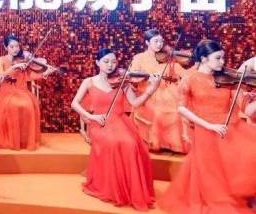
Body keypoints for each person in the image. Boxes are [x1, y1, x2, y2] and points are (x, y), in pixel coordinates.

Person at [160, 42, 256, 213]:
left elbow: (246, 110)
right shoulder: (190, 79)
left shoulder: (228, 80)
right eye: (218, 58)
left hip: (229, 128)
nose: (222, 62)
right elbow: (181, 108)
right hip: (205, 130)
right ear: (204, 58)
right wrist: (209, 126)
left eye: (223, 58)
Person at [71, 48, 161, 211]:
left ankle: (131, 189)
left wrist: (151, 89)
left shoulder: (123, 82)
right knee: (114, 143)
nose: (110, 65)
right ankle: (113, 187)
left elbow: (135, 103)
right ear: (97, 63)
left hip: (120, 122)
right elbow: (74, 104)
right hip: (99, 123)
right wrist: (91, 117)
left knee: (131, 144)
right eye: (106, 61)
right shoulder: (89, 82)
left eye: (113, 61)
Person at [129, 28, 191, 153]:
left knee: (177, 111)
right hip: (148, 93)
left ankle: (171, 144)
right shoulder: (139, 58)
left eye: (161, 41)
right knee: (157, 111)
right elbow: (133, 76)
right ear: (147, 42)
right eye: (156, 41)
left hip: (168, 92)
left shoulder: (167, 57)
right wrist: (146, 77)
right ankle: (155, 142)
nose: (159, 44)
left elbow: (182, 73)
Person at [0, 35, 54, 150]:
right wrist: (14, 67)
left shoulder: (23, 60)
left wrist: (45, 73)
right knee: (14, 105)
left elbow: (30, 76)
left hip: (21, 90)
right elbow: (0, 76)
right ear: (5, 47)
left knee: (28, 105)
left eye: (17, 46)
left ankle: (23, 139)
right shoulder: (1, 60)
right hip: (5, 91)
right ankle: (10, 139)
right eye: (12, 46)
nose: (15, 49)